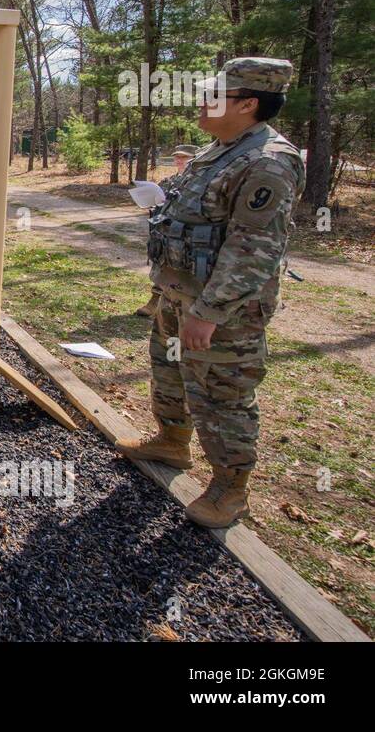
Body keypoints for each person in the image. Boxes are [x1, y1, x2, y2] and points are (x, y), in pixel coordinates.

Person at [119, 58, 304, 529]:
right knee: (169, 372)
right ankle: (172, 441)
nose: (202, 101)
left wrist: (211, 311)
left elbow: (254, 246)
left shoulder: (267, 161)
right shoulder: (217, 150)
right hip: (178, 293)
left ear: (248, 104)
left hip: (223, 310)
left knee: (222, 393)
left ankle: (229, 489)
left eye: (215, 95)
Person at [135, 144, 199, 318]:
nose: (179, 160)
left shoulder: (198, 182)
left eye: (184, 157)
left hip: (184, 233)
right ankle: (156, 301)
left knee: (182, 269)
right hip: (163, 231)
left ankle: (182, 308)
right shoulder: (170, 180)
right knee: (161, 263)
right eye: (177, 157)